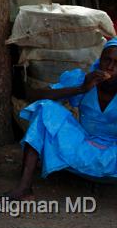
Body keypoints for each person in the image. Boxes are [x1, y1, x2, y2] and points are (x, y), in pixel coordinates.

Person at [6, 38, 117, 200]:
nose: (110, 67)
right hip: (82, 145)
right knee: (46, 108)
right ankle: (24, 187)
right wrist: (81, 89)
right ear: (99, 60)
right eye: (107, 60)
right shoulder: (85, 80)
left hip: (113, 153)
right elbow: (34, 96)